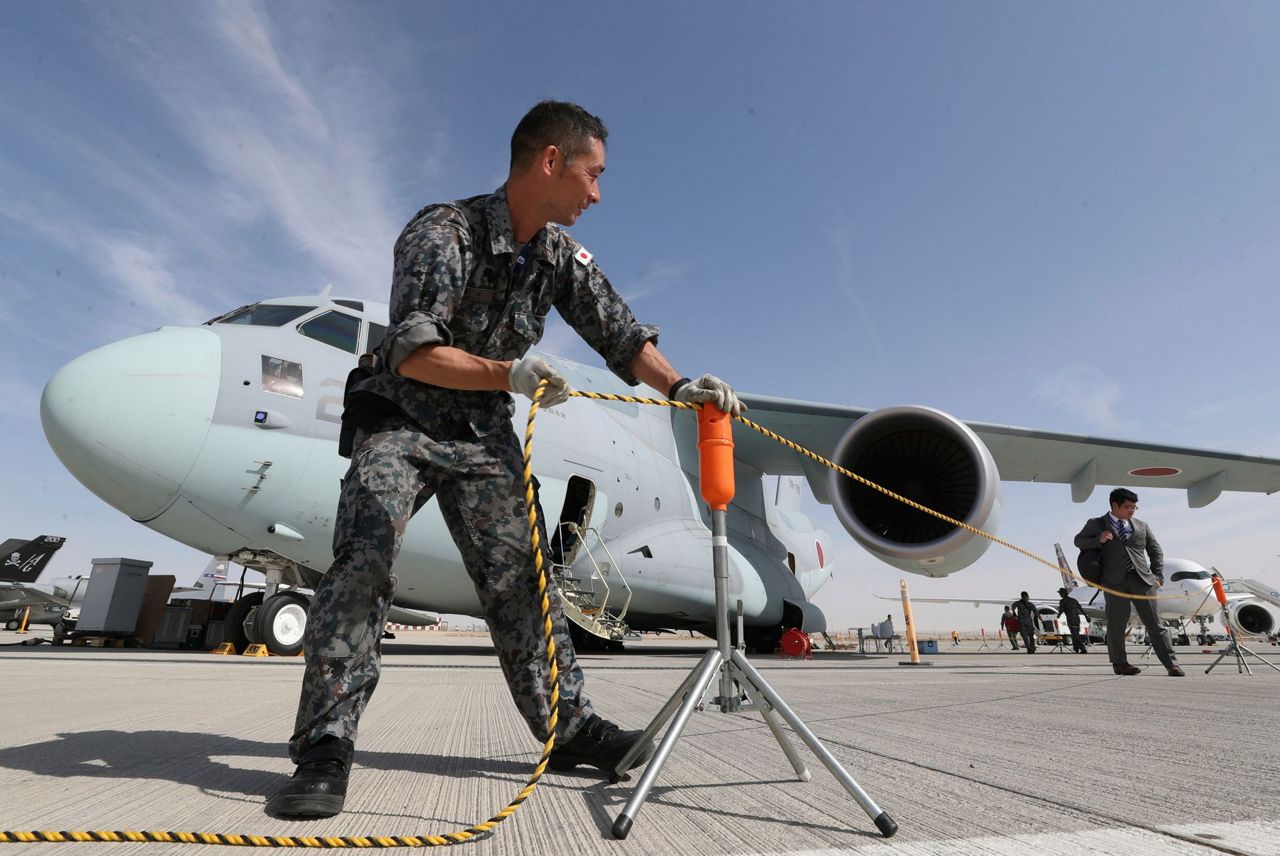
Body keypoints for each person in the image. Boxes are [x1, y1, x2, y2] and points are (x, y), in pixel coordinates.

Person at [267, 101, 744, 818]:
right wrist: (507, 375)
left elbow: (619, 335)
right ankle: (326, 744)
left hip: (479, 431)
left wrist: (680, 386)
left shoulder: (558, 258)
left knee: (523, 579)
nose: (597, 194)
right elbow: (416, 350)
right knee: (364, 558)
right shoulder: (443, 231)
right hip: (402, 416)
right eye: (593, 175)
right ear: (551, 161)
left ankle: (570, 728)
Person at [1074, 488, 1184, 677]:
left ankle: (1171, 663)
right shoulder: (1096, 524)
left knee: (1155, 623)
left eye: (1134, 507)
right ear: (1114, 505)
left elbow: (1155, 550)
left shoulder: (1142, 526)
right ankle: (1120, 663)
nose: (1132, 510)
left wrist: (1158, 577)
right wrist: (1098, 540)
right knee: (1117, 624)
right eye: (1127, 506)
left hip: (1142, 580)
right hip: (1114, 582)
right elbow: (1078, 541)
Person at [1057, 587, 1089, 653]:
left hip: (1071, 620)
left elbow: (1061, 610)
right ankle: (1076, 648)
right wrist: (1086, 617)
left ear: (1062, 594)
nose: (1059, 594)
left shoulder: (1062, 601)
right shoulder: (1074, 600)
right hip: (1077, 619)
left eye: (1060, 593)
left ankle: (1083, 649)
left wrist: (1057, 617)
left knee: (1075, 635)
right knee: (1075, 634)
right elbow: (1081, 609)